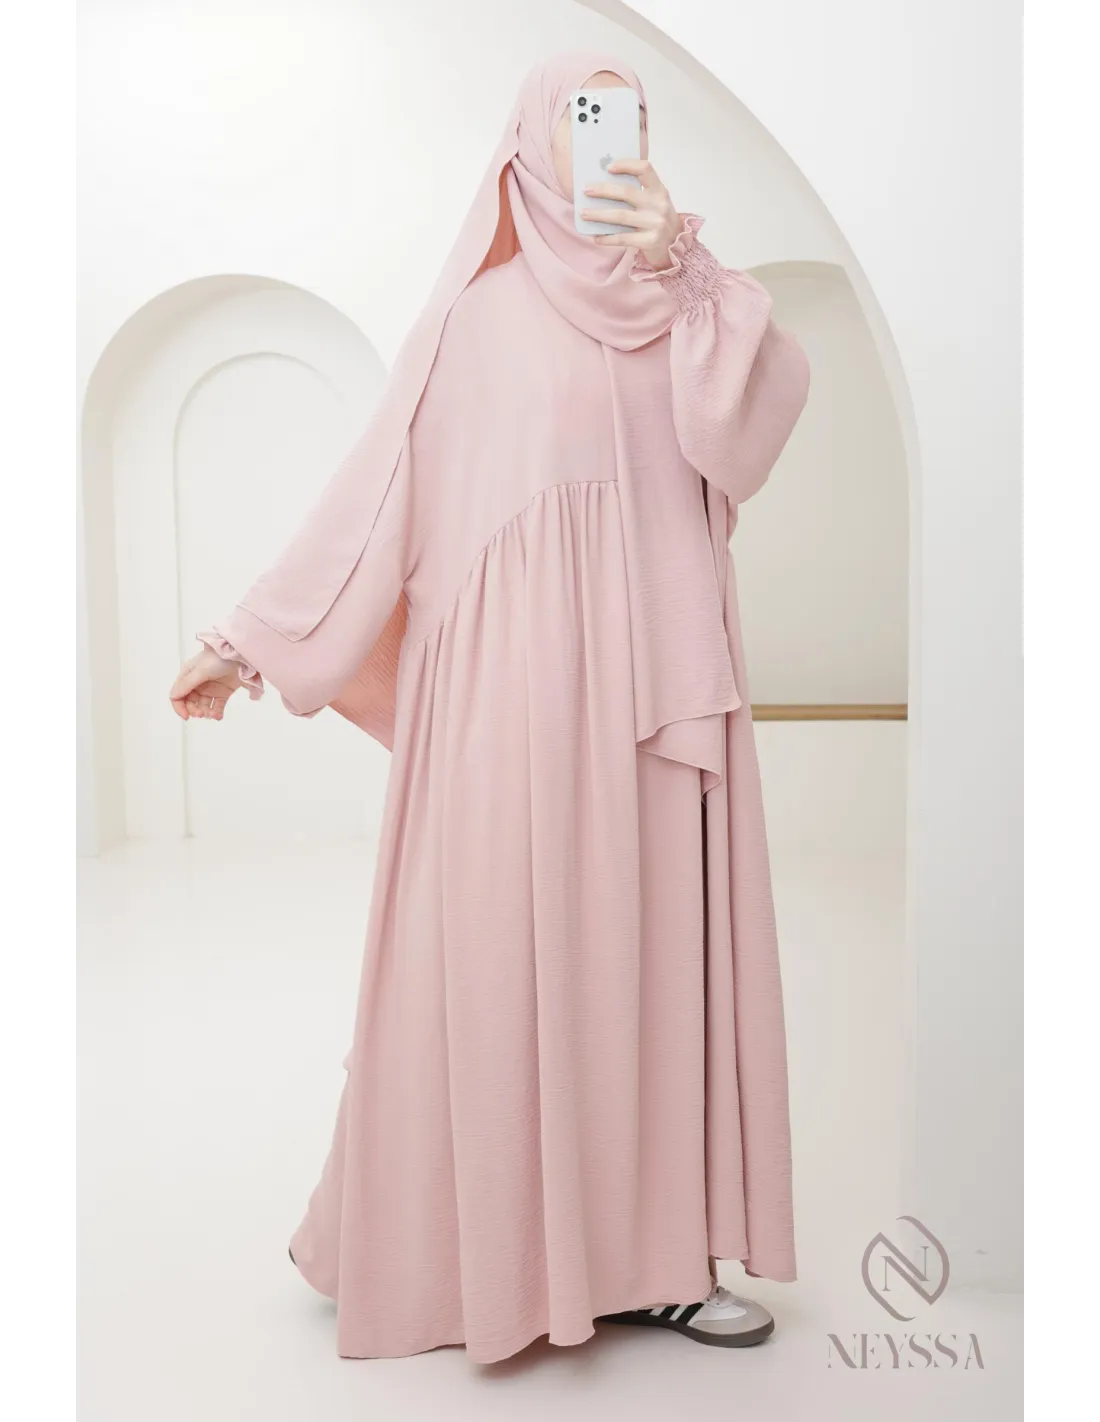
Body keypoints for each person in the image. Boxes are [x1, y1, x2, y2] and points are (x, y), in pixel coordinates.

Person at [169, 51, 810, 1364]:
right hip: (513, 707)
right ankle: (459, 1247)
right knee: (509, 957)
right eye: (580, 116)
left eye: (624, 116)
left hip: (657, 699)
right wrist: (248, 638)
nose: (604, 138)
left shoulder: (689, 300)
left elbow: (747, 430)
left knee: (646, 964)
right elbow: (379, 493)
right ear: (530, 139)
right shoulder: (479, 317)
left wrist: (682, 264)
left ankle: (660, 1261)